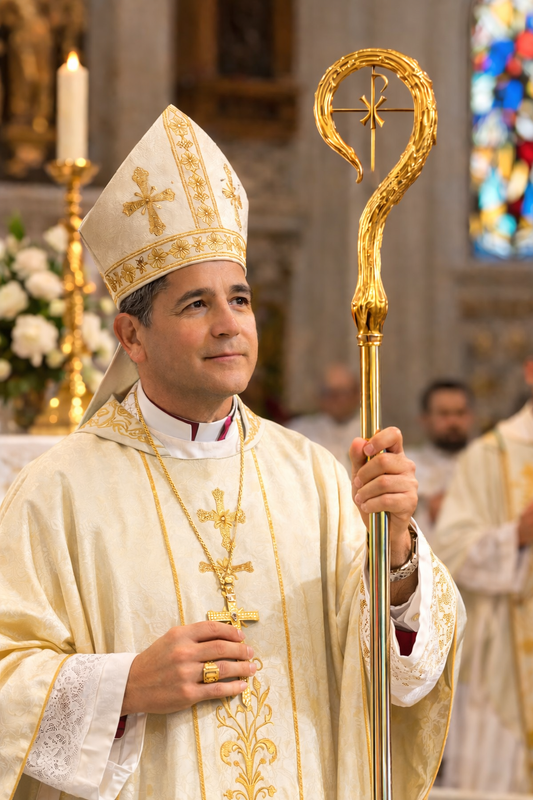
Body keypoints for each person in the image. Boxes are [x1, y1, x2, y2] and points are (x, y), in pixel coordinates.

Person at [0, 105, 463, 800]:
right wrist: (124, 686)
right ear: (131, 336)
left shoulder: (314, 476)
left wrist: (395, 553)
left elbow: (397, 675)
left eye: (239, 300)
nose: (229, 326)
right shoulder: (56, 491)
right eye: (196, 305)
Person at [434, 357, 533, 794]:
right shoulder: (488, 455)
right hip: (505, 655)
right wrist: (517, 537)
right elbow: (451, 551)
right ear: (530, 372)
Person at [406, 380, 475, 544]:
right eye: (444, 414)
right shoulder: (407, 465)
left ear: (471, 417)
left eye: (460, 413)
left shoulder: (487, 463)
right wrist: (428, 515)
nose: (453, 422)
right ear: (424, 419)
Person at [288, 363, 360, 472]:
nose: (335, 399)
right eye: (328, 392)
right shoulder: (299, 430)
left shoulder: (367, 433)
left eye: (342, 392)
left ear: (357, 395)